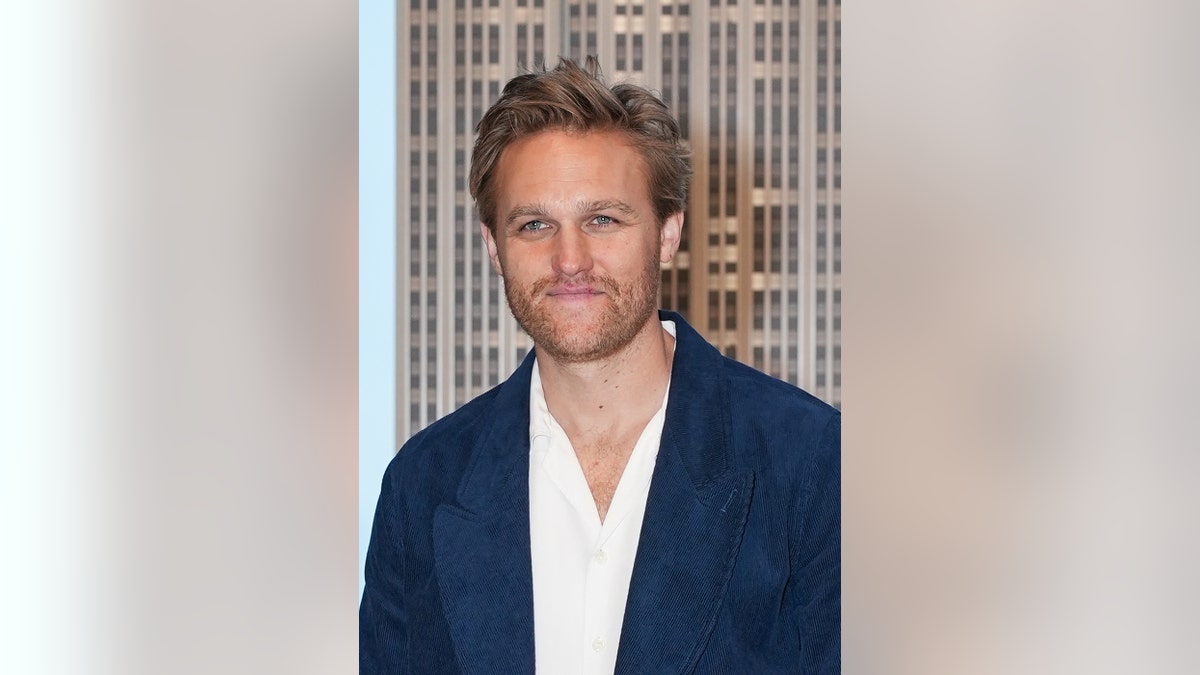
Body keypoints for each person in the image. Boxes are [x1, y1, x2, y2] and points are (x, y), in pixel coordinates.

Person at [360, 56, 839, 674]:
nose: (570, 259)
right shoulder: (422, 486)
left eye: (603, 219)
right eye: (535, 224)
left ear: (668, 232)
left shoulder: (813, 461)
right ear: (494, 246)